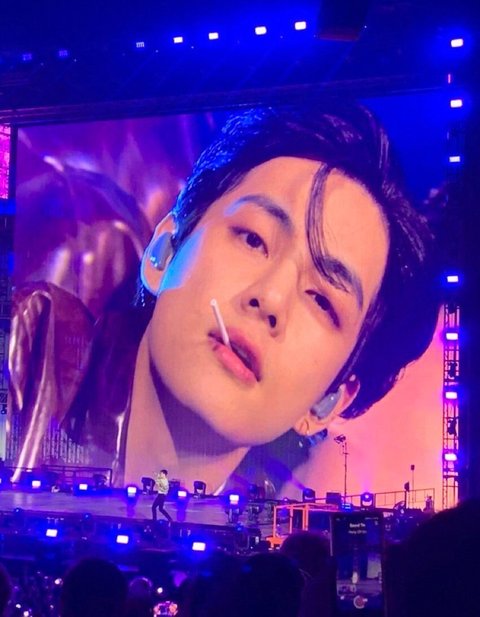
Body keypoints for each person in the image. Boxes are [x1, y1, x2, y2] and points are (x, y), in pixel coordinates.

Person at [9, 99, 440, 494]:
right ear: (164, 251)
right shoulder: (30, 349)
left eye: (322, 300)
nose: (270, 298)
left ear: (328, 402)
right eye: (253, 239)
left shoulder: (272, 536)